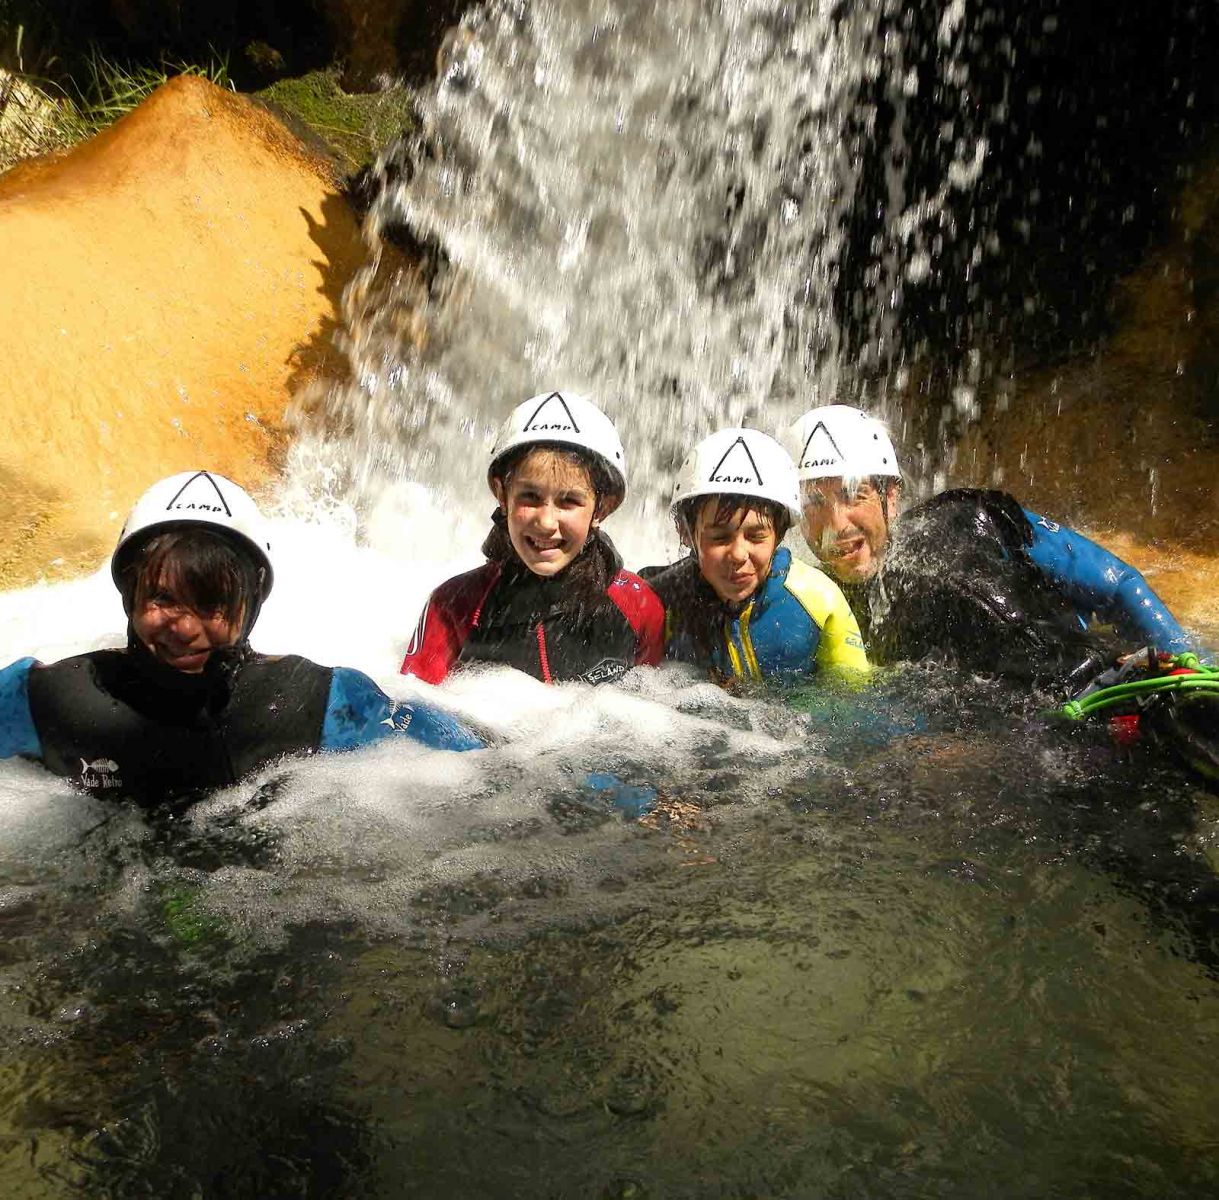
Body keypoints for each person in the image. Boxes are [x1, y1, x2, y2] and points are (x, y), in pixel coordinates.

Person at [0, 471, 482, 804]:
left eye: (211, 604)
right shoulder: (47, 699)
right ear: (129, 594)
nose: (184, 628)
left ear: (250, 608)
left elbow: (486, 767)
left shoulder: (314, 702)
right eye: (163, 599)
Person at [787, 404, 1193, 680]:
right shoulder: (810, 598)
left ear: (890, 497)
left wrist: (1190, 663)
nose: (836, 525)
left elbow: (1118, 585)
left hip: (1099, 672)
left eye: (853, 495)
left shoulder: (972, 520)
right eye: (815, 504)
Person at [401, 389, 665, 685]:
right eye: (530, 497)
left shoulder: (639, 605)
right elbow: (411, 701)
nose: (546, 522)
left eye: (569, 501)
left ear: (601, 508)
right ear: (502, 495)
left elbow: (655, 700)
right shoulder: (453, 605)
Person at [641, 427, 869, 684]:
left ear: (779, 535)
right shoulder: (661, 603)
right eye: (719, 538)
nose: (738, 555)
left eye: (756, 537)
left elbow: (855, 693)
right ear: (685, 533)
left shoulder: (818, 601)